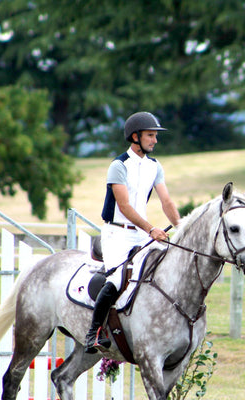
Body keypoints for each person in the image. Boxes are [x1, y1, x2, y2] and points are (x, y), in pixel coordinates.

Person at [85, 111, 181, 353]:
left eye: (155, 136)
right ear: (135, 137)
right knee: (117, 279)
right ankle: (93, 332)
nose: (155, 140)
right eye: (151, 135)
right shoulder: (118, 166)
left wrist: (182, 229)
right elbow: (124, 206)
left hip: (142, 232)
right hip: (117, 233)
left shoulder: (154, 166)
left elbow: (166, 202)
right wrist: (151, 229)